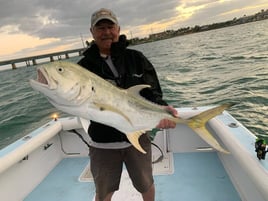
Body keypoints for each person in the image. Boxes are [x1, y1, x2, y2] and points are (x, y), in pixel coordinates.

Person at [77, 8, 178, 201]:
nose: (106, 32)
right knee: (103, 191)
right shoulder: (84, 68)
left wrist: (163, 110)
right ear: (92, 32)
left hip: (138, 137)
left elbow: (153, 93)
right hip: (102, 143)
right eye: (100, 28)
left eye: (110, 26)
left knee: (145, 183)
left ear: (118, 29)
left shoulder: (136, 58)